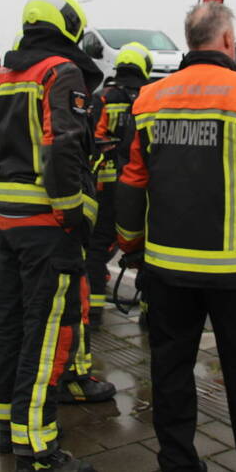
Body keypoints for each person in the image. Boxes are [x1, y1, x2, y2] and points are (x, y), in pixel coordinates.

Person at [117, 1, 236, 472]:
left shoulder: (149, 99)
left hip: (166, 270)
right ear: (226, 40)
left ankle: (177, 462)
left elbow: (131, 181)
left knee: (169, 370)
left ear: (190, 41)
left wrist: (131, 245)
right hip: (235, 273)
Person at [0, 0, 113, 472]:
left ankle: (9, 430)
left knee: (10, 326)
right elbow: (63, 146)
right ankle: (38, 450)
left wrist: (2, 197)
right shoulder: (60, 72)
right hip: (47, 229)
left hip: (8, 223)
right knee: (46, 335)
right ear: (69, 25)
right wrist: (71, 215)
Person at [86, 41, 152, 326]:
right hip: (142, 186)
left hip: (107, 185)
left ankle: (93, 310)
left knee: (97, 246)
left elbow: (93, 141)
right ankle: (150, 313)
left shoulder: (102, 98)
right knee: (148, 247)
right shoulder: (151, 97)